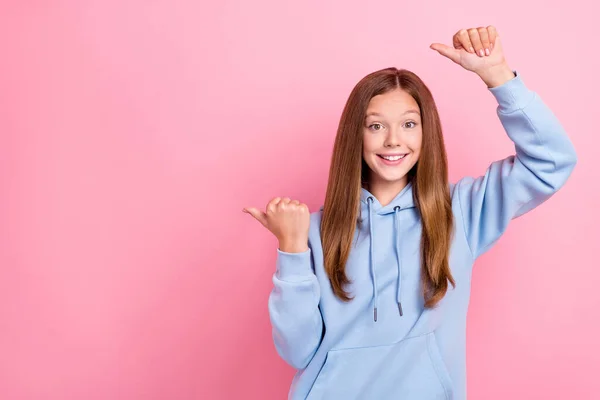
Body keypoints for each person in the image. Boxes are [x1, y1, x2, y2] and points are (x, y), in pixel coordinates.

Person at [243, 26, 577, 400]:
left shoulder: (461, 213)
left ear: (425, 132)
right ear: (357, 134)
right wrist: (291, 249)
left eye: (408, 124)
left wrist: (498, 76)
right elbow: (297, 351)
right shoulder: (315, 233)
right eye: (375, 126)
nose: (393, 140)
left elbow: (551, 162)